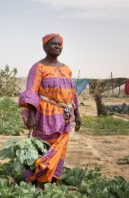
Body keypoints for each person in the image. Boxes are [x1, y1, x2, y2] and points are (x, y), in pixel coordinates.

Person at [19, 33, 81, 185]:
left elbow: (73, 93)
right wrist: (32, 116)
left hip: (65, 115)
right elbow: (32, 92)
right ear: (45, 46)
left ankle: (52, 177)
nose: (57, 46)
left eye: (60, 44)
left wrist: (77, 114)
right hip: (45, 114)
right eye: (54, 44)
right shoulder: (38, 67)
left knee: (60, 147)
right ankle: (38, 179)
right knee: (43, 146)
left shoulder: (66, 69)